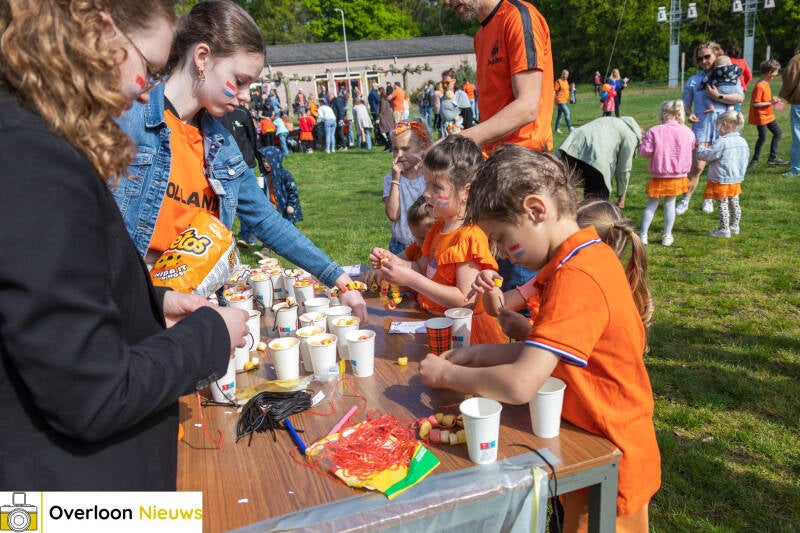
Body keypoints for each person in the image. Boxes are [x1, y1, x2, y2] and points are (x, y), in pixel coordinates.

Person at [0, 0, 250, 490]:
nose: (145, 95)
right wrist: (210, 336)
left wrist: (155, 304)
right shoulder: (35, 159)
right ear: (99, 31)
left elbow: (46, 300)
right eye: (149, 68)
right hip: (72, 499)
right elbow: (93, 395)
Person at [418, 145, 660, 532]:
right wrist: (478, 354)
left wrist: (446, 377)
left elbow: (521, 384)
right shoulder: (573, 261)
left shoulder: (576, 276)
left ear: (535, 210)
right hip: (586, 439)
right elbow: (543, 353)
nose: (503, 255)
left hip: (608, 458)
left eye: (503, 238)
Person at [113, 0, 367, 321]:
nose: (246, 95)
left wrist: (336, 276)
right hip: (131, 304)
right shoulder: (129, 119)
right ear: (202, 58)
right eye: (241, 80)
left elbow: (267, 221)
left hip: (195, 302)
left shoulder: (222, 144)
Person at [369, 136, 508, 345]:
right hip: (436, 324)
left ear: (465, 192)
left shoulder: (469, 236)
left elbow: (465, 300)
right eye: (427, 185)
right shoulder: (437, 228)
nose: (425, 194)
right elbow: (420, 267)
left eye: (436, 187)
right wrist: (392, 262)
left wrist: (412, 280)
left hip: (464, 335)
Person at [480, 198, 652, 344]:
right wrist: (490, 286)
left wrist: (527, 333)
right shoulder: (550, 273)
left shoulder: (587, 288)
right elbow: (500, 307)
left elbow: (571, 350)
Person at [443, 0, 554, 155]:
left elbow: (527, 107)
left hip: (526, 158)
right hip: (494, 157)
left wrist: (458, 141)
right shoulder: (480, 36)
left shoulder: (517, 17)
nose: (446, 2)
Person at [677, 41, 745, 215]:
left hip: (724, 127)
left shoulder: (728, 75)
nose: (704, 61)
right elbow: (685, 104)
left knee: (718, 166)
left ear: (716, 55)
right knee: (698, 167)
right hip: (702, 126)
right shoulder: (694, 80)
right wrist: (688, 113)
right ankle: (686, 199)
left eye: (707, 56)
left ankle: (709, 199)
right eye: (700, 59)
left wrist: (718, 96)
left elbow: (739, 97)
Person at [639, 101, 696, 247]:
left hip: (659, 173)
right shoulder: (688, 132)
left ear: (663, 113)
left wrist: (642, 142)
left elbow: (646, 152)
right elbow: (691, 148)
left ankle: (643, 234)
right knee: (670, 204)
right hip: (678, 174)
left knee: (652, 203)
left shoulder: (654, 131)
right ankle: (667, 235)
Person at [558, 116, 643, 208]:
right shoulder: (632, 136)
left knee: (566, 190)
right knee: (598, 197)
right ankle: (591, 219)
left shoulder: (614, 120)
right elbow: (624, 168)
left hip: (573, 144)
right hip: (596, 153)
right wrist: (622, 196)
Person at [381, 119, 432, 254]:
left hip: (428, 242)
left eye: (406, 149)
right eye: (395, 149)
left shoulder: (431, 176)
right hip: (400, 243)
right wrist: (395, 180)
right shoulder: (390, 179)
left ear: (423, 146)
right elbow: (393, 214)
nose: (399, 155)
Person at [697, 111, 749, 238]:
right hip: (736, 177)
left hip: (722, 177)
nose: (717, 130)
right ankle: (734, 226)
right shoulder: (742, 141)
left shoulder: (722, 142)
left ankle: (724, 229)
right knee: (734, 202)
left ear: (725, 124)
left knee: (722, 203)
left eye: (718, 127)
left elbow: (708, 155)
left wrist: (700, 148)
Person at [219, 103, 262, 246]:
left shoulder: (242, 112)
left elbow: (252, 138)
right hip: (225, 168)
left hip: (246, 164)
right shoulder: (217, 112)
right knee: (227, 204)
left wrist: (260, 160)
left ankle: (249, 234)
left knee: (249, 203)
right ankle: (225, 241)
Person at [748, 58, 787, 168]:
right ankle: (754, 160)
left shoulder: (766, 83)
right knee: (763, 137)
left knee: (778, 133)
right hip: (761, 117)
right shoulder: (760, 85)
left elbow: (765, 99)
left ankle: (772, 158)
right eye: (775, 72)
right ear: (769, 72)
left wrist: (773, 100)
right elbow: (755, 104)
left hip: (769, 115)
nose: (776, 74)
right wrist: (770, 102)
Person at [258, 146, 303, 224]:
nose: (266, 164)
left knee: (287, 229)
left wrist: (291, 205)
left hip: (284, 209)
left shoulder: (285, 175)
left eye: (268, 161)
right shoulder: (265, 176)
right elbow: (262, 193)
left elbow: (293, 191)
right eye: (263, 161)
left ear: (275, 161)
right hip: (271, 210)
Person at [779, 42, 800, 177]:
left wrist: (785, 95)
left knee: (798, 135)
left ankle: (797, 168)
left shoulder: (796, 59)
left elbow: (789, 80)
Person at [727, 41, 752, 111]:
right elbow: (749, 76)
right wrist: (744, 84)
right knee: (737, 110)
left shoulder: (725, 61)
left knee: (727, 111)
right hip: (740, 89)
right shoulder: (742, 61)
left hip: (728, 88)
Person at [554, 69, 573, 133]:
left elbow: (567, 90)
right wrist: (553, 100)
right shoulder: (558, 82)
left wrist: (571, 87)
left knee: (559, 115)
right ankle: (570, 127)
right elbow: (554, 91)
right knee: (567, 112)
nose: (565, 75)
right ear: (562, 74)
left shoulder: (566, 82)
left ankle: (556, 129)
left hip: (564, 101)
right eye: (564, 74)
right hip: (560, 101)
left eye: (567, 74)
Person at [377, 86, 396, 152]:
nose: (377, 92)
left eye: (378, 91)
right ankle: (388, 147)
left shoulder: (383, 100)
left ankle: (391, 148)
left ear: (380, 91)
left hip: (386, 118)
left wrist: (378, 118)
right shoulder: (383, 99)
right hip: (386, 118)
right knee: (386, 133)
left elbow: (382, 110)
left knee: (388, 133)